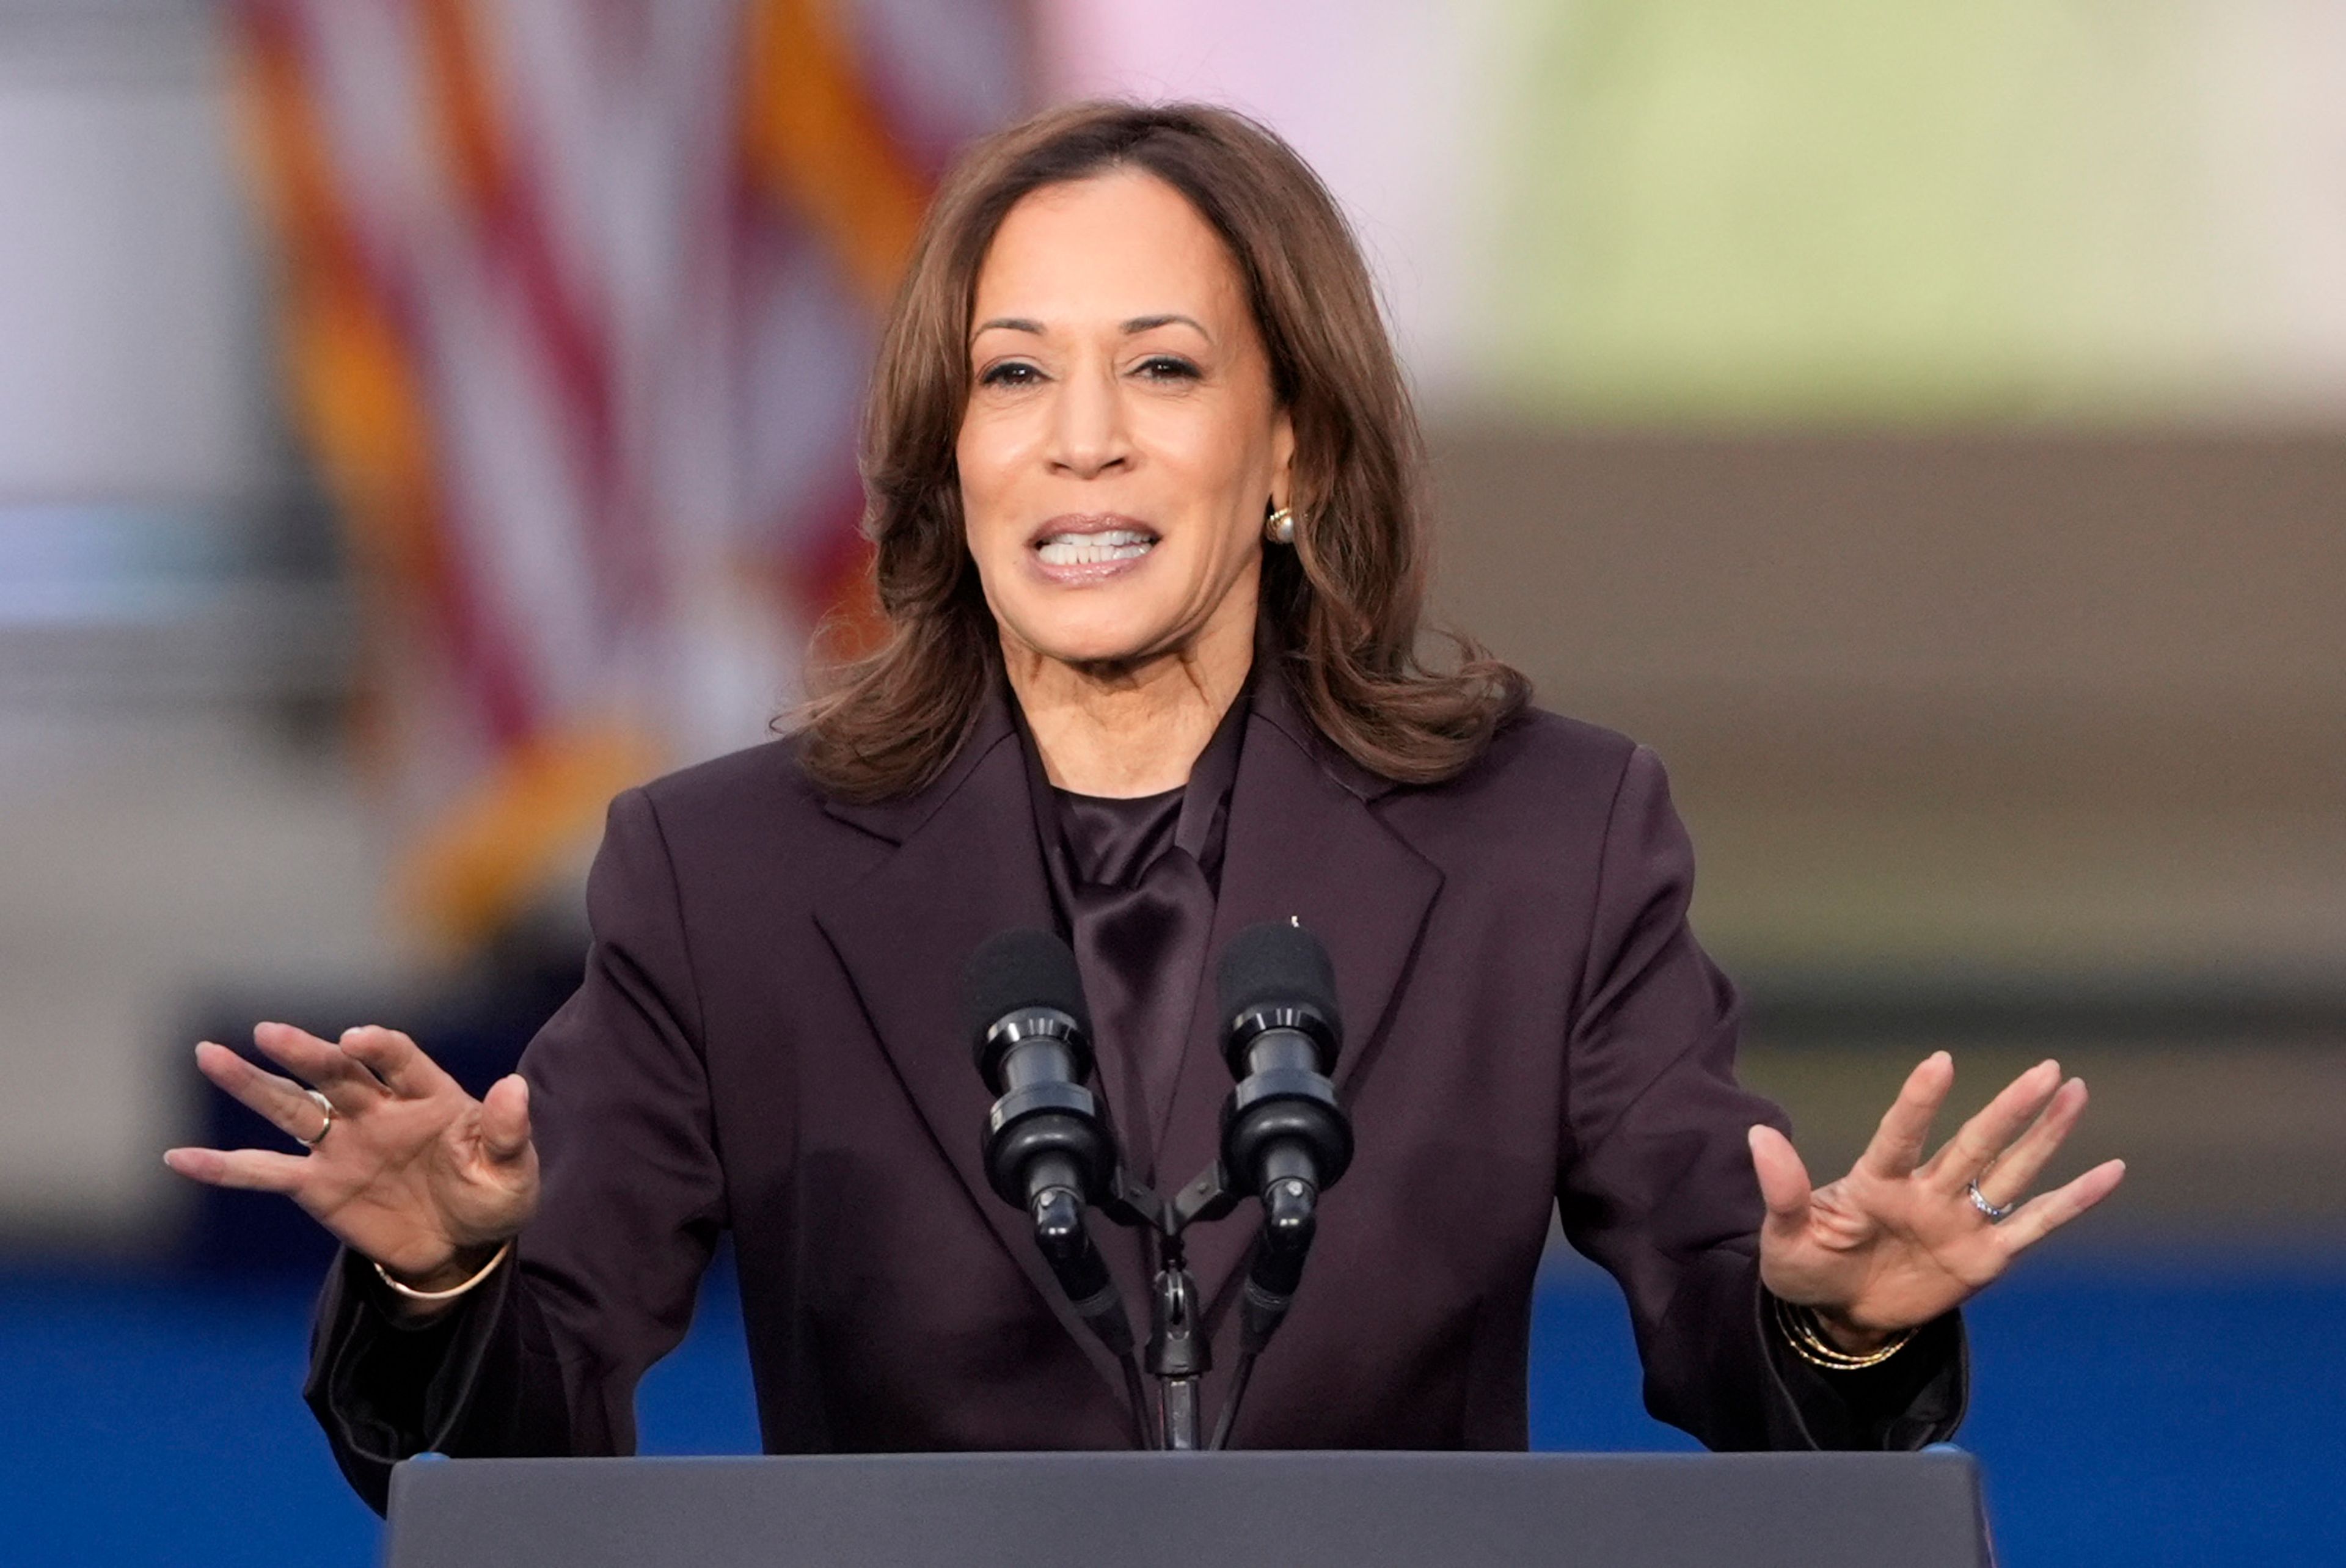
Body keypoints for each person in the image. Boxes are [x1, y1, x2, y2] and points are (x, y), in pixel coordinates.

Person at [166, 101, 2124, 1514]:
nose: (1080, 436)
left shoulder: (1553, 837)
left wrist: (1838, 1322)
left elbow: (1735, 1295)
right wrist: (447, 1273)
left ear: (1292, 443)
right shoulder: (722, 874)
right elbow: (510, 1445)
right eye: (1014, 376)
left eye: (1161, 368)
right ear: (952, 452)